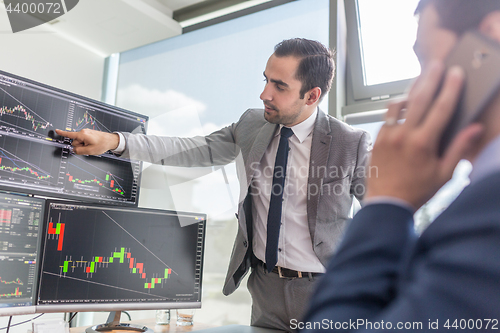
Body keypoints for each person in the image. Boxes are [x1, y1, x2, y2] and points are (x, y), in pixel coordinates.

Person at [56, 38, 371, 331]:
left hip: (327, 290)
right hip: (265, 287)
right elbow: (191, 148)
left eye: (280, 86)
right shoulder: (252, 124)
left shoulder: (349, 143)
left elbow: (386, 214)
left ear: (312, 95)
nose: (265, 94)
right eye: (266, 80)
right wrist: (114, 141)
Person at [299, 1, 500, 332]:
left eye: (423, 60)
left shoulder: (488, 216)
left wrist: (386, 203)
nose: (415, 88)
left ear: (490, 37)